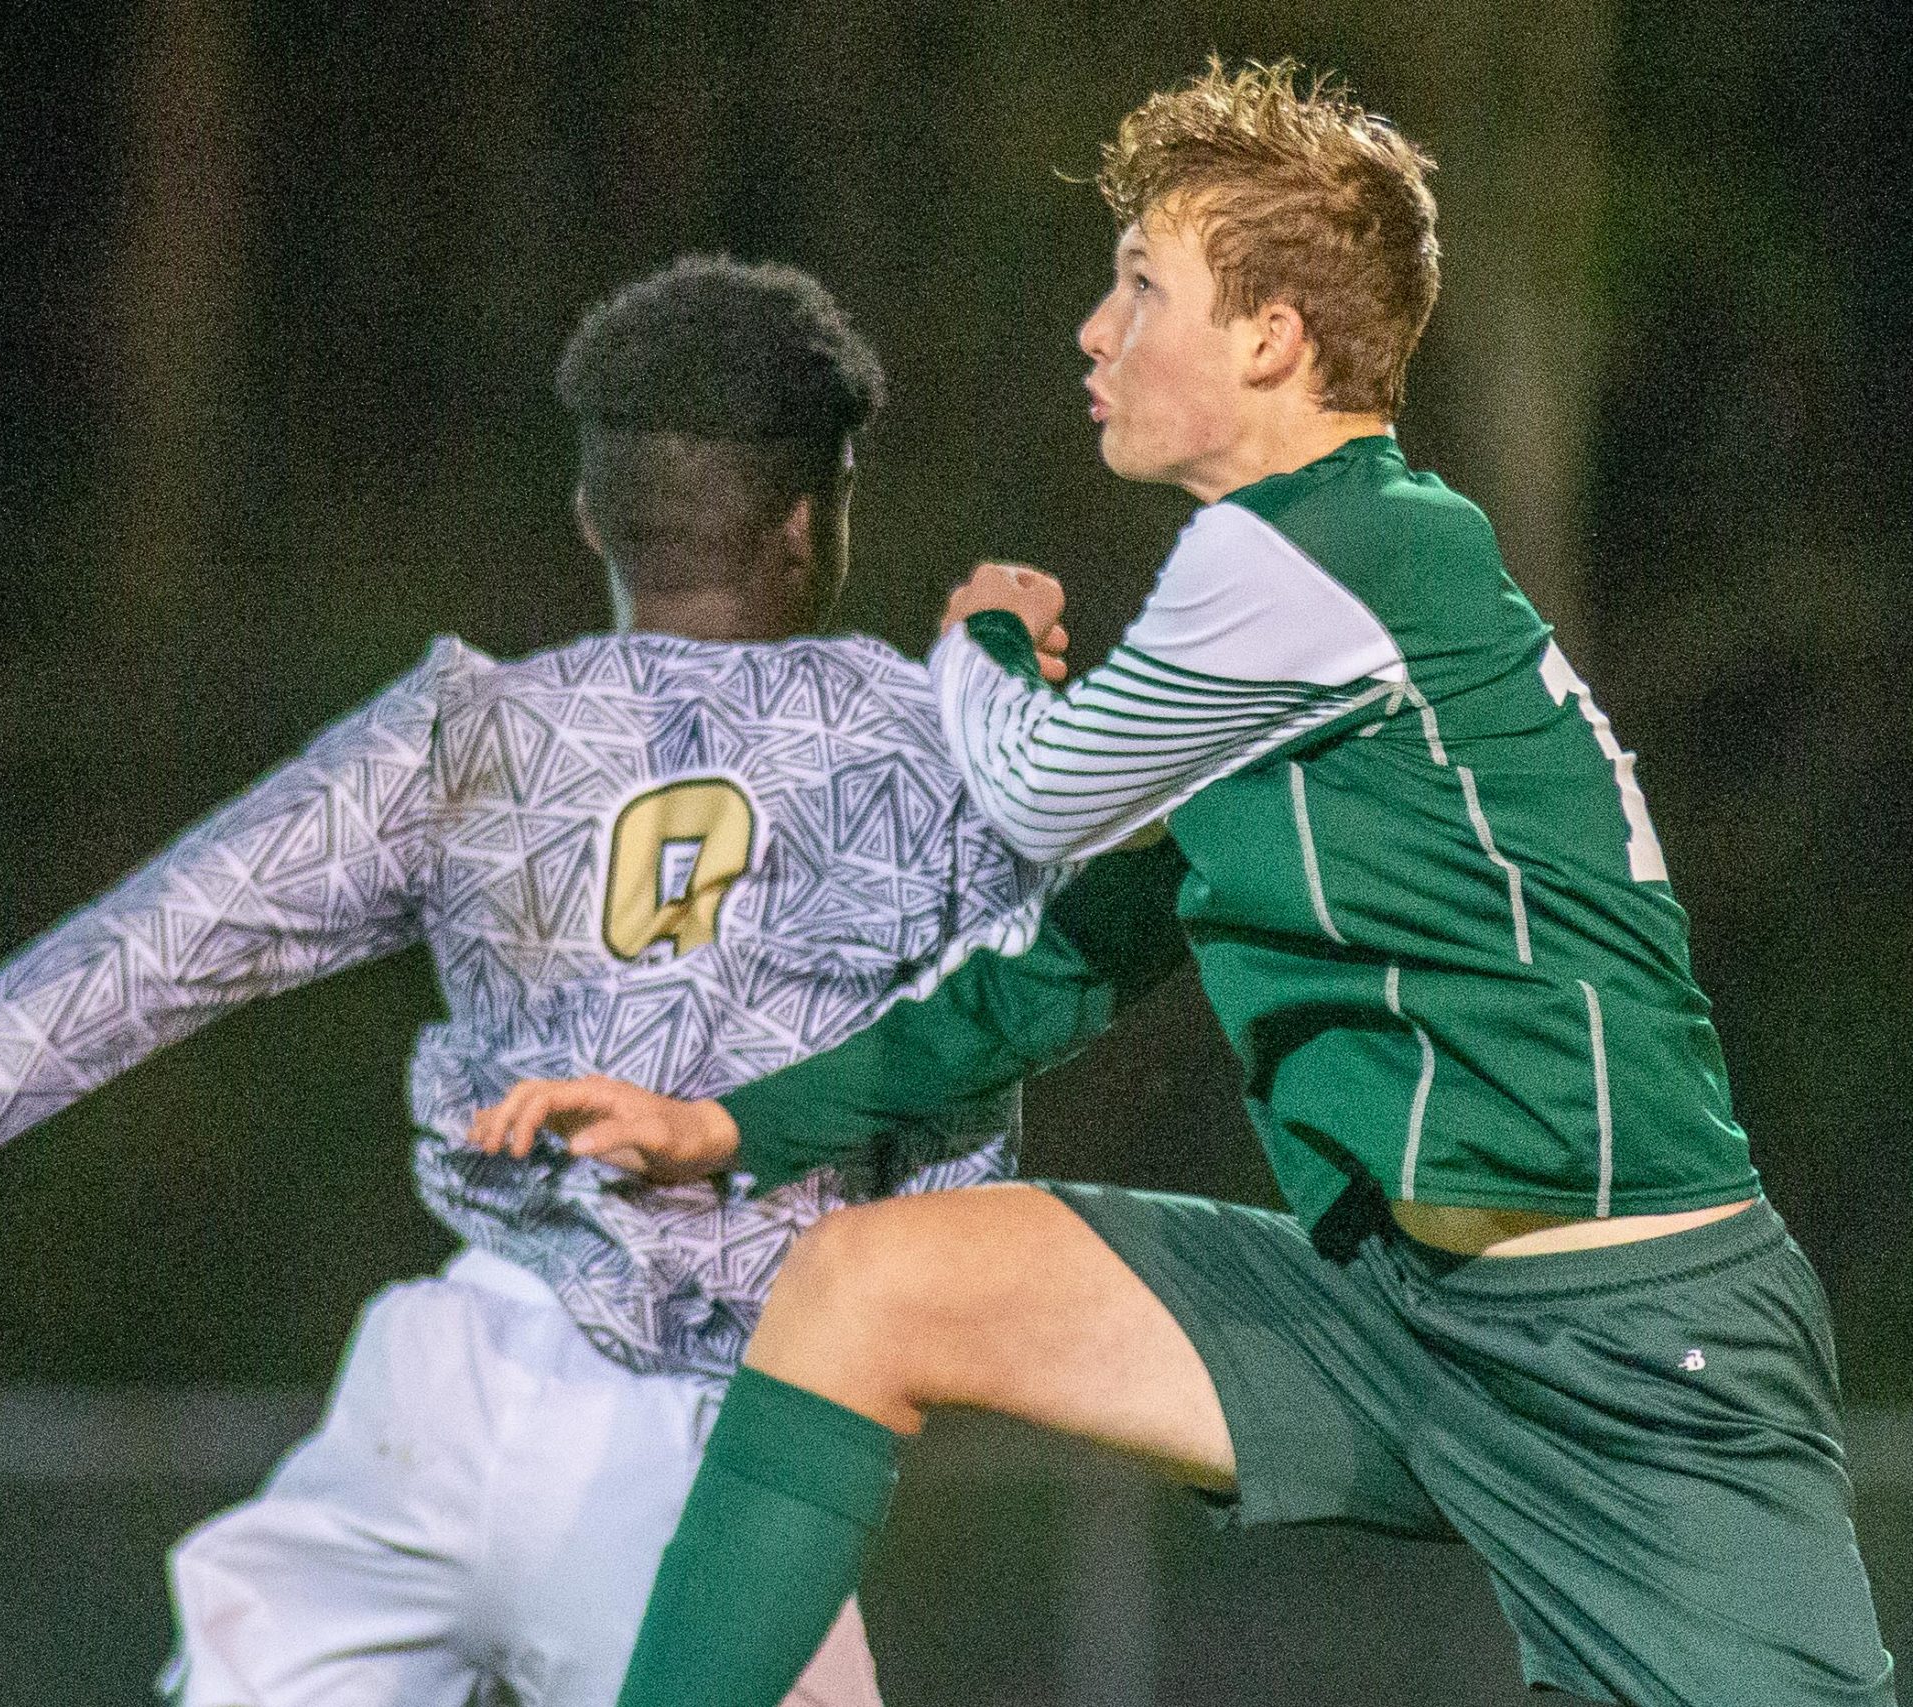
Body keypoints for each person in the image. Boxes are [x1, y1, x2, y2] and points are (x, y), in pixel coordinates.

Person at [472, 64, 1895, 1707]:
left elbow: (1032, 792)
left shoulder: (1330, 551)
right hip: (1403, 1318)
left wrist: (979, 645)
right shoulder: (1290, 629)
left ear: (1273, 339)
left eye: (1143, 286)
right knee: (866, 1286)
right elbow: (1067, 963)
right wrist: (740, 1128)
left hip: (1637, 1358)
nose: (1095, 329)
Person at [0, 254, 1077, 1707]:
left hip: (441, 1405)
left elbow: (123, 966)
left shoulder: (462, 738)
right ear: (813, 520)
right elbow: (956, 1172)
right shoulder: (934, 752)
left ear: (591, 512)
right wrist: (991, 689)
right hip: (719, 1449)